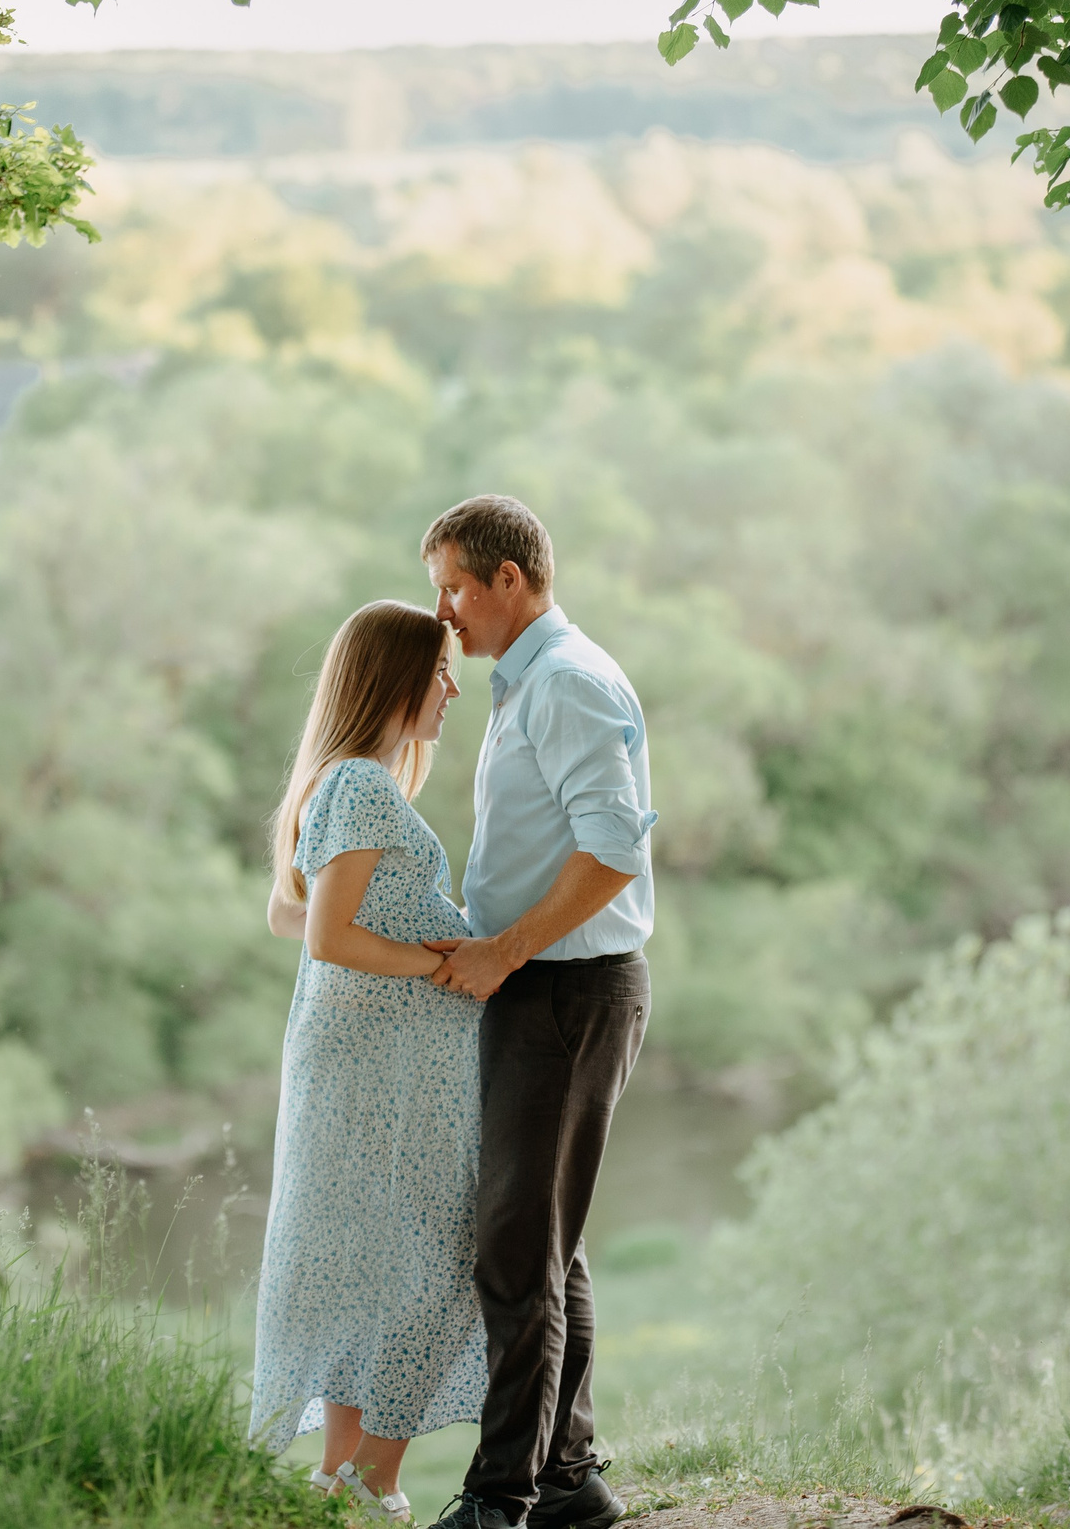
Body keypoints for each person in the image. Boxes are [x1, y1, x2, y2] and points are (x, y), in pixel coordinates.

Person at [418, 496, 655, 1529]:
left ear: (508, 578)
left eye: (454, 587)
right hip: (542, 985)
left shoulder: (561, 682)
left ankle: (496, 1499)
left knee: (515, 1245)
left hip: (565, 987)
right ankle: (568, 1480)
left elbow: (613, 848)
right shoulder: (525, 682)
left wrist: (506, 948)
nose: (445, 612)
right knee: (546, 1241)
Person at [250, 599, 487, 1526]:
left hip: (370, 1065)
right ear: (395, 679)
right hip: (377, 1077)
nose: (453, 688)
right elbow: (326, 934)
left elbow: (286, 913)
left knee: (371, 1264)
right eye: (439, 672)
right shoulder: (359, 786)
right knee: (439, 1261)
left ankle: (347, 1480)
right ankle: (374, 1480)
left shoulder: (346, 783)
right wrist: (445, 962)